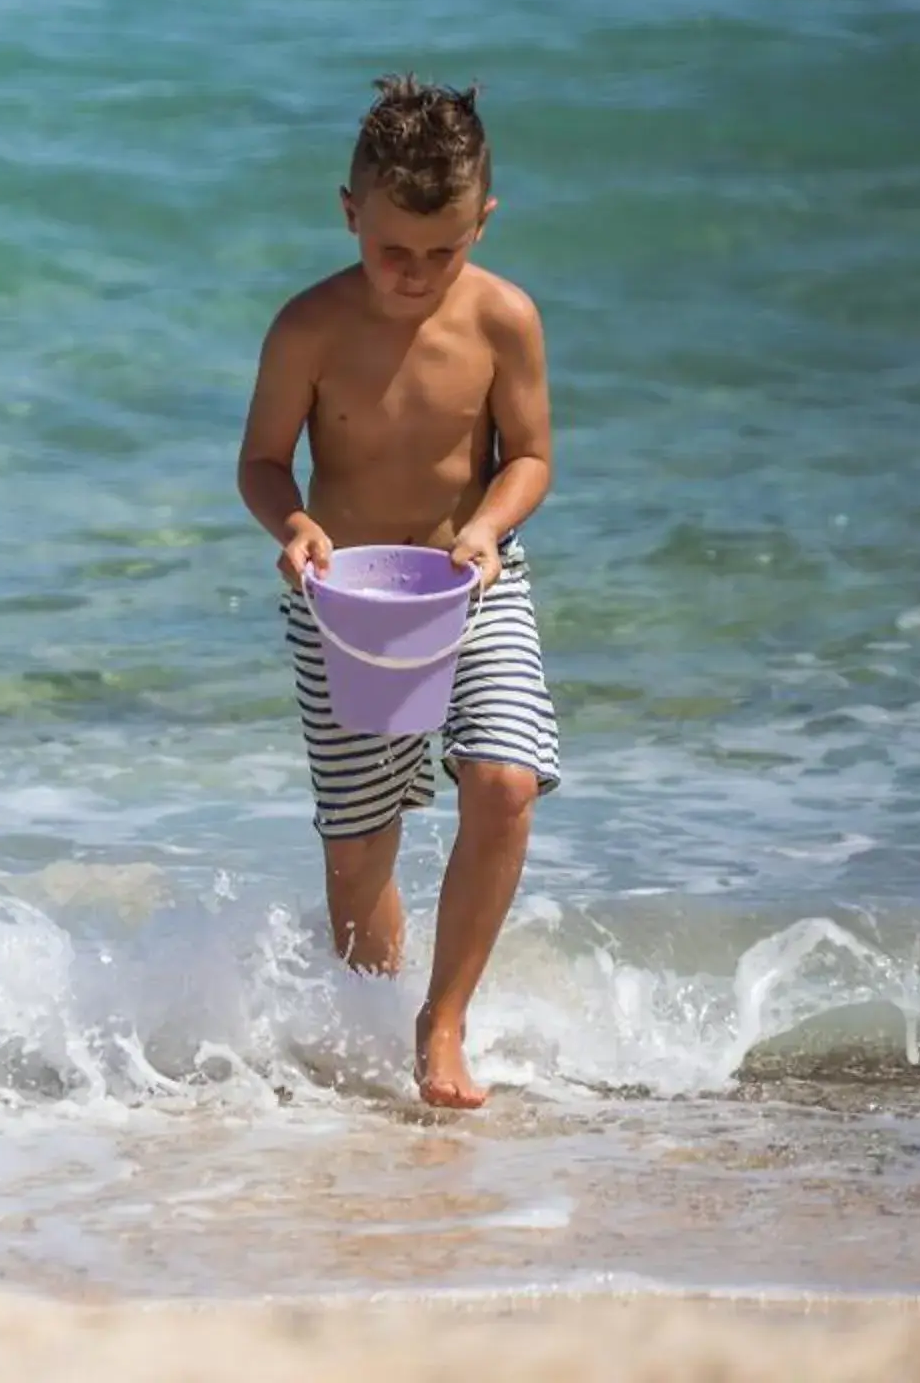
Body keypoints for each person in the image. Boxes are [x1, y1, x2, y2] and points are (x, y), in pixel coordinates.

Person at [237, 76, 560, 1109]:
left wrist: (485, 527)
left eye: (444, 250)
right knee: (362, 842)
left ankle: (445, 1018)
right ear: (349, 213)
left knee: (504, 779)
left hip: (471, 579)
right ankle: (364, 1031)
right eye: (391, 250)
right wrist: (293, 525)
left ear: (483, 222)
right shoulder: (309, 328)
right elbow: (261, 461)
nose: (416, 275)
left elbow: (533, 456)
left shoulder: (505, 318)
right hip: (343, 596)